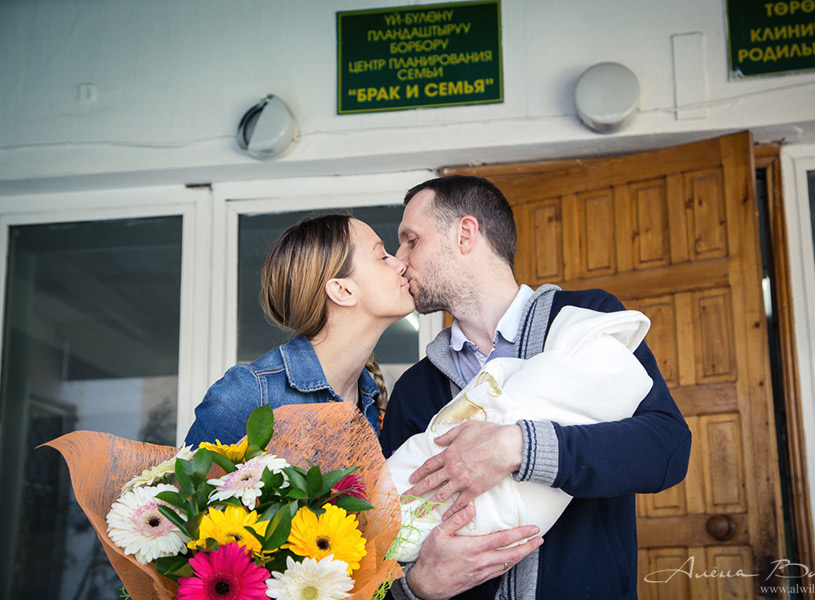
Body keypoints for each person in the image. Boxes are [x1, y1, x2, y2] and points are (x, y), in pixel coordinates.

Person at [380, 175, 692, 600]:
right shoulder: (414, 390)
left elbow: (667, 449)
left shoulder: (588, 319)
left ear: (465, 233)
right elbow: (392, 537)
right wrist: (414, 588)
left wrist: (520, 448)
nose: (400, 260)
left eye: (411, 240)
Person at [185, 213, 414, 447]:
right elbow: (185, 483)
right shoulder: (249, 393)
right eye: (382, 256)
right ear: (342, 291)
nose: (400, 263)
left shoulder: (370, 399)